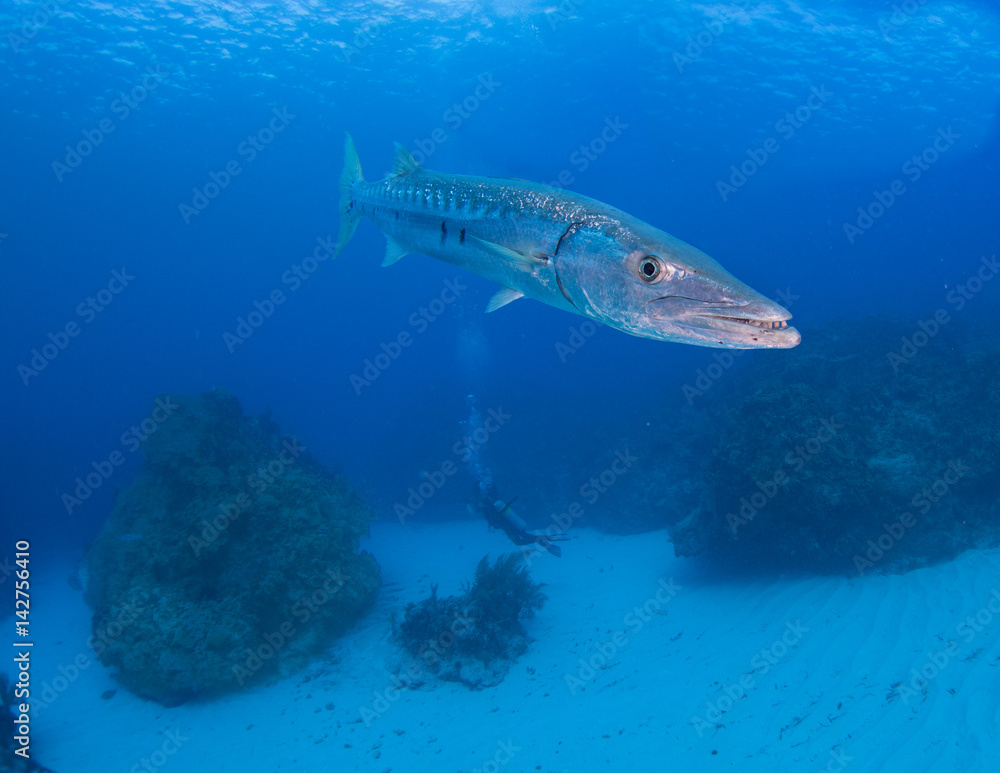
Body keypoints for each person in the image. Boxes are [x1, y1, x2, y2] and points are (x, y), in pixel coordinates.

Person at [474, 485, 567, 557]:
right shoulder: (493, 502)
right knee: (525, 536)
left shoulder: (487, 506)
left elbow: (492, 519)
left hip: (508, 525)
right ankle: (547, 540)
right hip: (511, 522)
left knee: (518, 541)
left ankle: (548, 539)